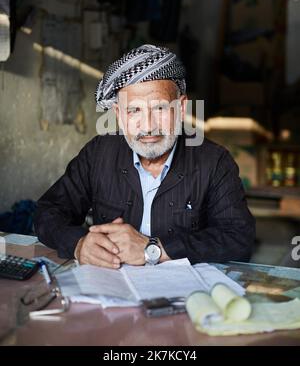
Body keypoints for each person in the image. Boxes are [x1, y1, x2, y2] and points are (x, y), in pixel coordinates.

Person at [34, 44, 255, 268]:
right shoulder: (99, 153)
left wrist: (156, 249)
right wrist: (79, 244)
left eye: (159, 109)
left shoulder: (214, 161)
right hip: (111, 289)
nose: (148, 126)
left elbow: (239, 239)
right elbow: (48, 212)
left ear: (180, 108)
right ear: (119, 115)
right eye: (134, 111)